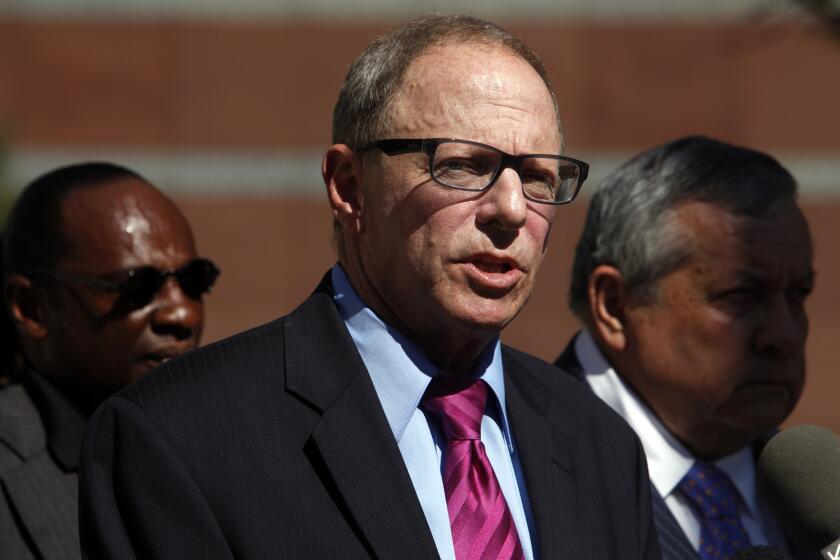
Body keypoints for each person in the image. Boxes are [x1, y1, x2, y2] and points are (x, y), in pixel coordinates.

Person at [80, 15, 661, 560]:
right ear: (349, 185)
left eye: (538, 176)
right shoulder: (180, 437)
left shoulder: (602, 447)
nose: (511, 209)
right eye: (461, 165)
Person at [555, 136, 814, 560]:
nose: (782, 335)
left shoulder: (816, 503)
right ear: (615, 305)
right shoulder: (502, 474)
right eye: (739, 297)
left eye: (798, 293)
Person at [0, 162, 219, 559]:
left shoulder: (235, 452)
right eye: (138, 286)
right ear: (31, 309)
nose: (182, 314)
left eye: (194, 281)